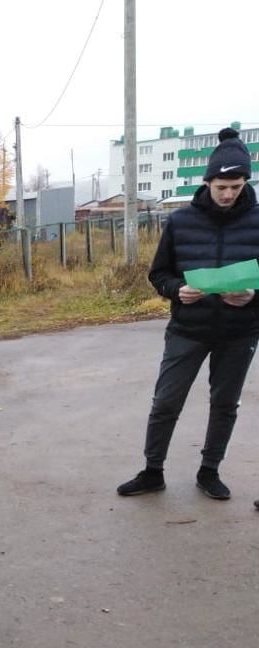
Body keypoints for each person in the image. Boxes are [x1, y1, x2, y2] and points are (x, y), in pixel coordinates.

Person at [117, 127, 259, 501]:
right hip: (187, 328)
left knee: (225, 404)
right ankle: (152, 471)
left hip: (240, 331)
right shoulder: (181, 221)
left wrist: (252, 294)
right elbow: (158, 273)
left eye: (236, 186)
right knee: (166, 402)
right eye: (221, 186)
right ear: (207, 182)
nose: (228, 194)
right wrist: (176, 290)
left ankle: (209, 471)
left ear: (245, 181)